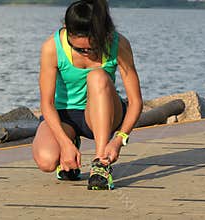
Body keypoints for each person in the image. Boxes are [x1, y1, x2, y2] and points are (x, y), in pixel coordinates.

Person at [32, 0, 143, 190]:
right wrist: (64, 143)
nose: (87, 53)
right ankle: (70, 147)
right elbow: (47, 103)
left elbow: (135, 101)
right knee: (46, 161)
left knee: (97, 76)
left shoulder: (118, 44)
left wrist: (119, 140)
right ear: (67, 30)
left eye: (92, 48)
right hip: (65, 115)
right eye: (79, 49)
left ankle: (100, 164)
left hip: (104, 113)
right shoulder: (52, 47)